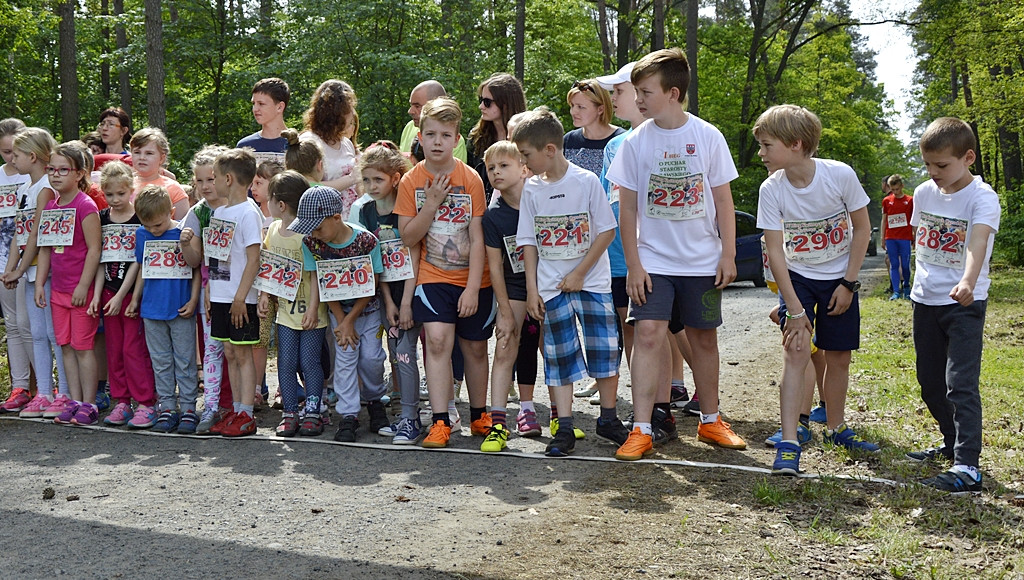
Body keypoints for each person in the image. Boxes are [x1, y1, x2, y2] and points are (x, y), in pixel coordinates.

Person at [607, 48, 747, 461]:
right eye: (635, 92)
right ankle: (642, 427)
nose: (639, 99)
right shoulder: (633, 142)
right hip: (653, 262)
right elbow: (627, 208)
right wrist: (633, 263)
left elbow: (723, 200)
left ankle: (711, 420)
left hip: (703, 261)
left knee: (703, 338)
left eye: (645, 91)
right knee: (648, 335)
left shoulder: (707, 136)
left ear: (672, 93)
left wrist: (728, 253)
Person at [754, 104, 877, 475]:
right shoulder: (771, 188)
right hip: (798, 279)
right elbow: (775, 250)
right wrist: (793, 308)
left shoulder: (839, 175)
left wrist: (849, 282)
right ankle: (790, 441)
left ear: (795, 144)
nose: (760, 153)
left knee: (838, 356)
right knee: (795, 352)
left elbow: (862, 229)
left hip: (840, 278)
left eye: (766, 145)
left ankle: (837, 427)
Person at [510, 108, 621, 457]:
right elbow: (527, 241)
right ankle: (566, 426)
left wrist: (580, 273)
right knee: (559, 356)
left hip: (593, 283)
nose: (523, 162)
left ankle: (608, 417)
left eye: (526, 154)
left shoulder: (586, 181)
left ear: (549, 150)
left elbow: (606, 230)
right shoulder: (531, 191)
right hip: (550, 288)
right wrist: (532, 291)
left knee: (604, 350)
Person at [906, 117, 999, 495]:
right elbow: (921, 240)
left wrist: (968, 280)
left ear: (968, 158)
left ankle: (967, 465)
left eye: (941, 165)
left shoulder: (982, 197)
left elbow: (977, 241)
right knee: (930, 382)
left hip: (964, 301)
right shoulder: (925, 192)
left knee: (959, 383)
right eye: (928, 164)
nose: (933, 172)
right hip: (925, 300)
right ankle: (950, 442)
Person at [396, 97, 494, 449]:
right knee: (437, 342)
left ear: (456, 140)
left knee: (475, 347)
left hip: (473, 281)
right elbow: (408, 236)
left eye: (445, 134)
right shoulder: (411, 181)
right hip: (432, 276)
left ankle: (480, 414)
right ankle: (439, 420)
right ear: (419, 136)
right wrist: (433, 203)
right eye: (431, 134)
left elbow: (478, 235)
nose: (437, 141)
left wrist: (471, 288)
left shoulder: (471, 179)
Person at [290, 185, 389, 442]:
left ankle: (375, 399)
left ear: (336, 217)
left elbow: (372, 283)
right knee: (344, 358)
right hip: (338, 311)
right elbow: (323, 282)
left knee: (371, 358)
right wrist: (342, 321)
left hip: (367, 310)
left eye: (318, 227)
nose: (314, 233)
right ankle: (348, 414)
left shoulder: (366, 241)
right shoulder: (311, 243)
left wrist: (351, 319)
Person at [351, 142, 422, 444]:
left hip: (413, 289)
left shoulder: (406, 207)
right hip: (385, 292)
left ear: (395, 178)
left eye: (378, 179)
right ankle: (405, 415)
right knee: (396, 353)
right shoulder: (365, 211)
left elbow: (413, 255)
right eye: (366, 180)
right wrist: (390, 300)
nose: (371, 186)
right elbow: (373, 261)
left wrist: (405, 301)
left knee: (406, 352)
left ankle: (412, 417)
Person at [195, 148, 264, 437]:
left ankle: (246, 414)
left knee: (243, 353)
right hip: (220, 295)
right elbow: (216, 255)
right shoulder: (220, 212)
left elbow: (254, 258)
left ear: (228, 178)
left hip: (241, 299)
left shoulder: (249, 213)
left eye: (215, 177)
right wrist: (210, 288)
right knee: (229, 351)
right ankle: (235, 410)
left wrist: (240, 298)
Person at [2, 127, 70, 418]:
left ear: (32, 156)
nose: (12, 159)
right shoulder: (27, 189)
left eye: (16, 154)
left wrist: (18, 269)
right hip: (29, 273)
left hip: (47, 272)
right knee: (37, 332)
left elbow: (37, 237)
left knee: (55, 334)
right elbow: (20, 232)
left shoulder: (45, 188)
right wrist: (10, 268)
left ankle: (64, 393)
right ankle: (43, 392)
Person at [33, 143, 102, 425]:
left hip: (79, 291)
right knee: (65, 346)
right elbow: (46, 248)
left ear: (79, 173)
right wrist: (40, 284)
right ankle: (73, 400)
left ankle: (90, 403)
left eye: (64, 170)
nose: (56, 175)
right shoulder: (51, 206)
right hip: (58, 290)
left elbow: (95, 250)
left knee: (83, 347)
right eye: (52, 170)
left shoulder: (86, 206)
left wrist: (84, 286)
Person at [258, 171, 330, 437]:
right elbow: (268, 264)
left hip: (311, 312)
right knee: (286, 361)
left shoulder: (308, 235)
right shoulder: (274, 230)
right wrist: (265, 295)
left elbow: (315, 273)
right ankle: (290, 412)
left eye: (269, 199)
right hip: (285, 312)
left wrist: (313, 308)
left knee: (309, 361)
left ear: (281, 205)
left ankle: (313, 409)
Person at [127, 185, 201, 433]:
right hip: (151, 309)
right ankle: (167, 406)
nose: (152, 230)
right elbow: (142, 269)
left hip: (180, 309)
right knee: (160, 361)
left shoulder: (183, 233)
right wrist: (135, 299)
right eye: (147, 225)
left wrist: (193, 300)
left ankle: (189, 407)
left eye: (157, 225)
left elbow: (196, 267)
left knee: (185, 360)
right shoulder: (142, 234)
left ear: (171, 212)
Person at [90, 160, 158, 428]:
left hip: (131, 296)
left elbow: (139, 262)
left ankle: (146, 402)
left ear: (131, 190)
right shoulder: (102, 218)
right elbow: (101, 261)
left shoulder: (139, 217)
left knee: (134, 349)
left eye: (121, 193)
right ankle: (121, 401)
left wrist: (124, 296)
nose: (115, 199)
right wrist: (98, 295)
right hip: (108, 292)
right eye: (109, 194)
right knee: (114, 349)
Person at [181, 145, 234, 434]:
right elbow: (194, 261)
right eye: (199, 181)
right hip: (209, 292)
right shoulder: (197, 212)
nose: (205, 186)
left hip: (236, 288)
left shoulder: (237, 206)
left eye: (210, 179)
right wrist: (186, 242)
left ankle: (237, 404)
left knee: (236, 350)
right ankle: (212, 406)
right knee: (212, 348)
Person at [0, 118, 35, 414]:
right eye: (5, 151)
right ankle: (20, 387)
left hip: (30, 261)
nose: (10, 157)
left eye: (15, 150)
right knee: (12, 325)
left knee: (29, 325)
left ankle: (45, 389)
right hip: (2, 260)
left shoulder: (34, 178)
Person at [300, 79, 362, 219]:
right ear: (335, 113)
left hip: (350, 221)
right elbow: (306, 186)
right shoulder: (310, 142)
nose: (353, 113)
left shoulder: (346, 143)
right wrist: (351, 179)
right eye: (349, 109)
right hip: (322, 221)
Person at [251, 159, 284, 407]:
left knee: (285, 339)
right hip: (258, 288)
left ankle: (285, 387)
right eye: (252, 182)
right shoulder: (250, 213)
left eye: (259, 182)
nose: (253, 187)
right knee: (259, 339)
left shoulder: (285, 219)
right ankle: (256, 387)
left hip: (283, 287)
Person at [467, 73, 527, 194]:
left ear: (505, 104)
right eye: (481, 100)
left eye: (487, 102)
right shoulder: (476, 138)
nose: (481, 106)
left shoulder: (528, 136)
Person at [564, 78, 624, 176]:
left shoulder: (621, 140)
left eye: (581, 107)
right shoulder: (568, 140)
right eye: (572, 105)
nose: (573, 112)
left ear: (600, 109)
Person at [400, 80, 468, 163]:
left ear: (435, 105)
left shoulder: (453, 139)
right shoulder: (409, 127)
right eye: (411, 105)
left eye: (417, 106)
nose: (410, 111)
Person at [129, 128, 190, 219]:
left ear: (162, 158)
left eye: (149, 153)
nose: (142, 157)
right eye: (137, 152)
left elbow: (182, 227)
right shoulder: (124, 185)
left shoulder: (173, 188)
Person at [237, 77, 290, 163]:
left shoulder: (297, 145)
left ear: (280, 107)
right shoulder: (244, 147)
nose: (255, 109)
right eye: (254, 103)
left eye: (261, 104)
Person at [881, 174, 913, 300]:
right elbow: (884, 220)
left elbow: (914, 220)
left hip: (905, 237)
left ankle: (906, 286)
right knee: (894, 264)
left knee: (905, 264)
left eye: (897, 189)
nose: (895, 192)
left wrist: (915, 235)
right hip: (891, 237)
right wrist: (883, 238)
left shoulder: (910, 200)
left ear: (902, 186)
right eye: (893, 190)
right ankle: (896, 291)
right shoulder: (887, 201)